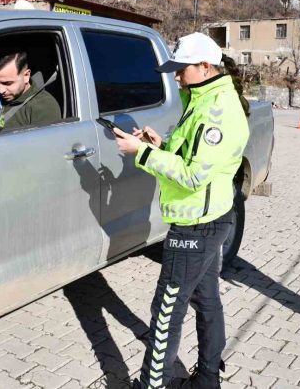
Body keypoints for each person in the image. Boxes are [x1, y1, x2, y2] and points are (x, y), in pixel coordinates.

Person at [113, 32, 250, 389]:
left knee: (166, 310)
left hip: (196, 224)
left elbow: (192, 176)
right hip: (208, 218)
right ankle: (207, 379)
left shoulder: (217, 110)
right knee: (206, 300)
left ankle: (152, 383)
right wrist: (159, 144)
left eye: (180, 69)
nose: (175, 76)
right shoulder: (204, 95)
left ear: (205, 67)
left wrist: (140, 153)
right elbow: (188, 153)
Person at [0, 50, 61, 130]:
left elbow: (46, 141)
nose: (1, 90)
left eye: (7, 83)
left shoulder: (43, 106)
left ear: (26, 76)